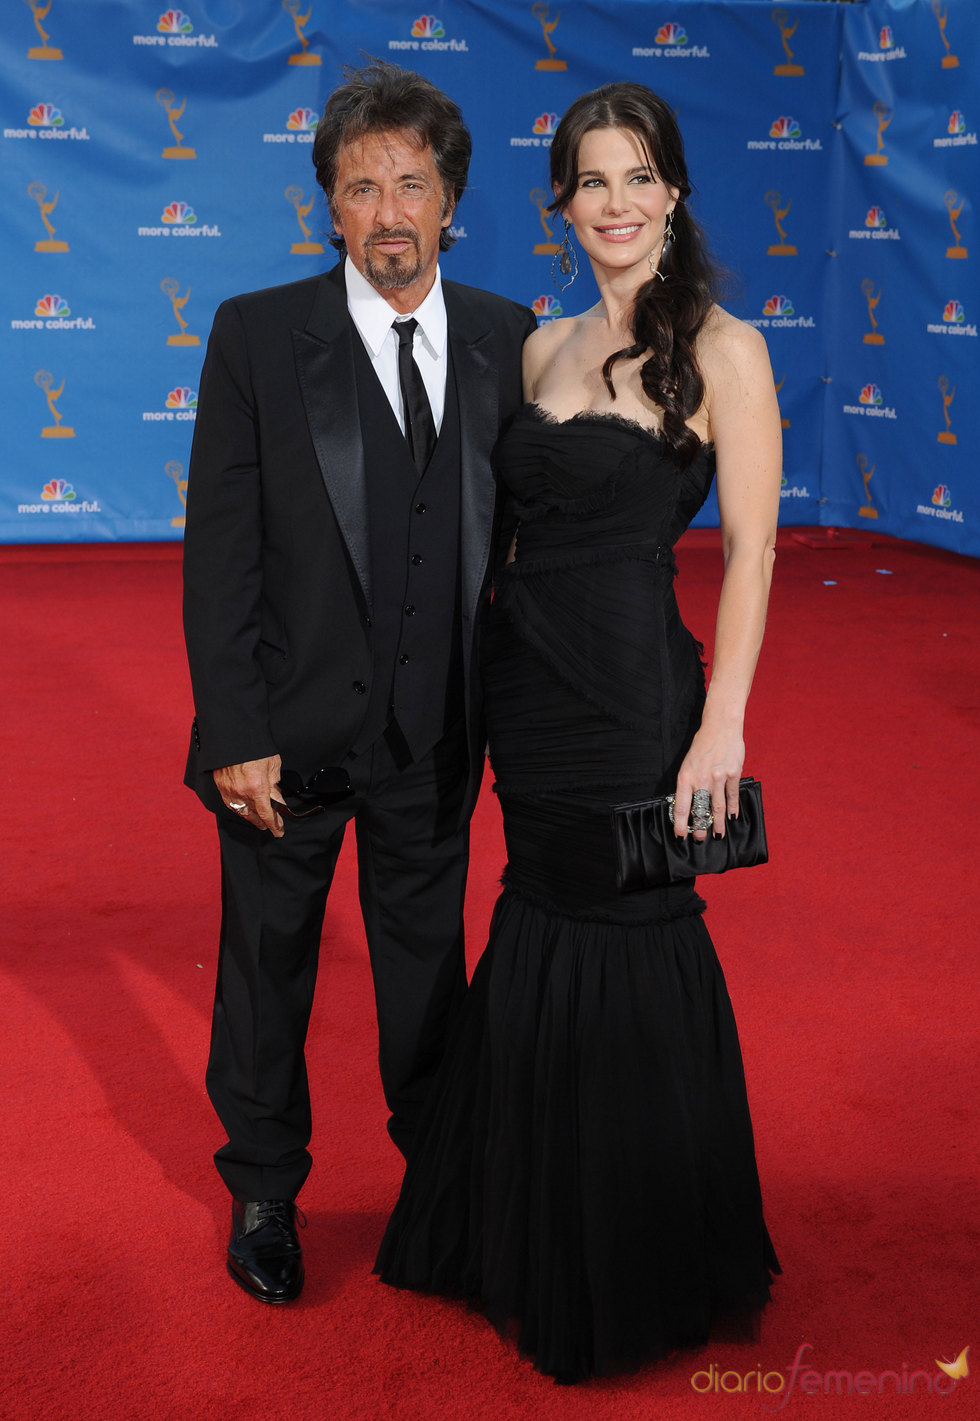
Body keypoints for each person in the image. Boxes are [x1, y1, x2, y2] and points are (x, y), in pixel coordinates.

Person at [375, 82, 782, 1382]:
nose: (615, 202)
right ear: (561, 203)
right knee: (537, 920)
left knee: (628, 932)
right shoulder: (536, 345)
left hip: (633, 697)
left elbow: (757, 549)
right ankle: (520, 1220)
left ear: (674, 194)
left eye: (638, 177)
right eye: (591, 181)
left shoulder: (725, 347)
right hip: (529, 699)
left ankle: (637, 1247)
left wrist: (722, 723)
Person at [182, 61, 535, 1306]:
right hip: (283, 740)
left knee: (425, 974)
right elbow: (219, 556)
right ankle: (265, 1187)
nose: (387, 210)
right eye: (359, 186)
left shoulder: (506, 336)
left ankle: (436, 1184)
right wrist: (234, 729)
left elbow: (527, 546)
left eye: (411, 185)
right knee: (267, 966)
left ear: (451, 201)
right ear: (327, 207)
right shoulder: (256, 335)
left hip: (435, 737)